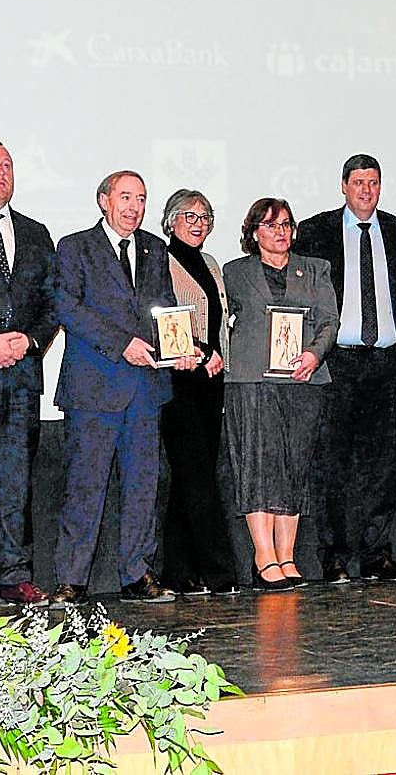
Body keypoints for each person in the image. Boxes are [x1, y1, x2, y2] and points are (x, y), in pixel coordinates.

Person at [51, 170, 187, 607]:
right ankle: (72, 581)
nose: (134, 206)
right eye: (125, 197)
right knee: (85, 489)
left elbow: (163, 309)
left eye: (142, 198)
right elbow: (66, 306)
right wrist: (120, 343)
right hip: (94, 390)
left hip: (145, 390)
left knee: (142, 489)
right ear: (103, 201)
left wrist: (181, 348)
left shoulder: (155, 248)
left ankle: (137, 576)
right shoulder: (75, 247)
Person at [293, 154, 396, 583]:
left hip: (385, 360)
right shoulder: (316, 230)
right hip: (337, 361)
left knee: (380, 465)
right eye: (358, 182)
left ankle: (378, 553)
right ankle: (336, 555)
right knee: (335, 462)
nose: (366, 190)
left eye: (374, 183)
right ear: (343, 186)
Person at [224, 198, 338, 592]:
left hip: (303, 380)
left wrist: (313, 353)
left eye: (286, 224)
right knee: (257, 466)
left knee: (294, 469)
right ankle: (263, 556)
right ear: (253, 232)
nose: (280, 232)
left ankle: (287, 555)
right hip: (251, 380)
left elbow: (329, 320)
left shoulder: (317, 269)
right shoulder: (233, 273)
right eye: (271, 225)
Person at [0, 138, 57, 607]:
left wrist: (31, 341)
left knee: (16, 482)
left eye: (6, 165)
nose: (0, 172)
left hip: (21, 377)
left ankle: (14, 577)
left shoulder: (37, 232)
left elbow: (52, 301)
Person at [158, 189, 240, 596]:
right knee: (198, 478)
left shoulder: (211, 263)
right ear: (170, 220)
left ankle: (178, 571)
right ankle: (219, 572)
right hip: (179, 380)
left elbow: (221, 319)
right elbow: (161, 318)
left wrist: (218, 355)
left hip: (212, 381)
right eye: (189, 215)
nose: (199, 223)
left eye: (206, 216)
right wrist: (202, 352)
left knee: (192, 478)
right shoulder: (159, 259)